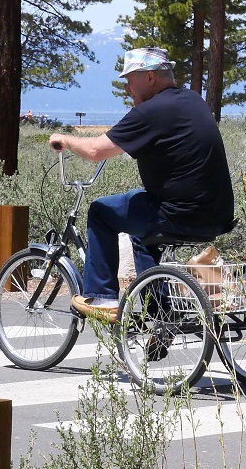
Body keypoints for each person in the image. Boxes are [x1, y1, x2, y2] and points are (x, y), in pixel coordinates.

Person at [48, 47, 235, 322]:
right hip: (217, 216)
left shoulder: (150, 111)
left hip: (180, 215)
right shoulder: (193, 100)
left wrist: (64, 139)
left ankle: (102, 298)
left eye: (129, 79)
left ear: (149, 77)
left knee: (100, 211)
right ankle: (160, 316)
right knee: (140, 225)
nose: (126, 88)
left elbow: (95, 151)